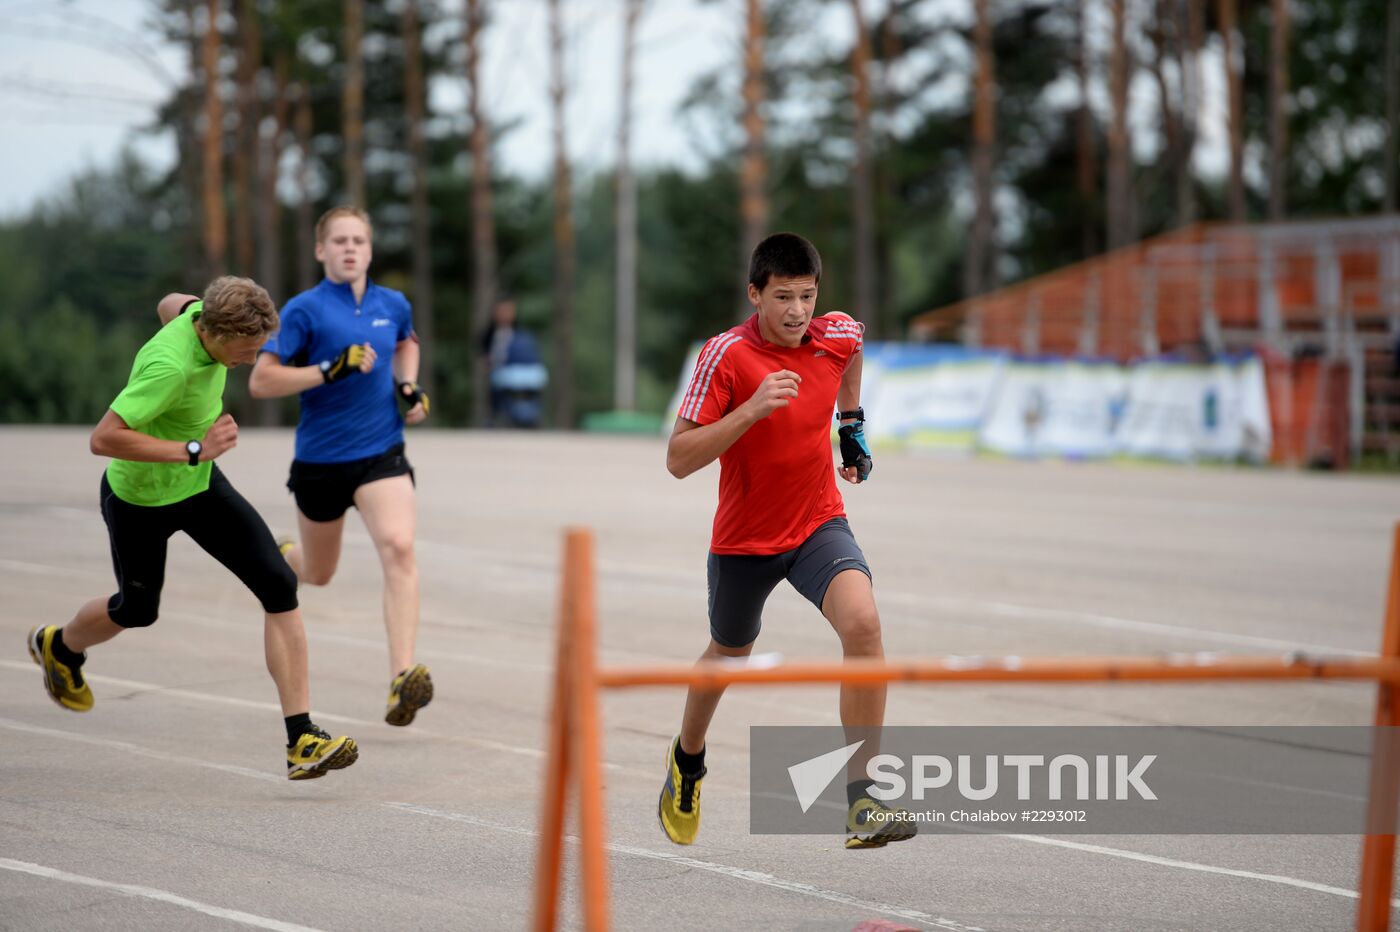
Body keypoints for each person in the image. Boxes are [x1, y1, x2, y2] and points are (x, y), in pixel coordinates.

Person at [29, 276, 358, 781]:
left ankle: (302, 739)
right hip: (139, 499)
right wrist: (193, 449)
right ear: (217, 334)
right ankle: (61, 645)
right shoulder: (169, 368)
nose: (251, 361)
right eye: (247, 351)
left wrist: (198, 460)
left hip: (200, 487)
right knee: (136, 611)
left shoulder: (199, 313)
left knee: (279, 584)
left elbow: (167, 302)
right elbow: (104, 438)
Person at [656, 232, 916, 850]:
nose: (797, 311)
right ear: (755, 294)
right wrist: (750, 410)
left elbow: (854, 347)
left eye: (806, 296)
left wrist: (850, 426)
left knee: (865, 627)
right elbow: (677, 459)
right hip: (745, 540)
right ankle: (686, 764)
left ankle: (863, 800)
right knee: (728, 656)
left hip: (817, 524)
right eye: (782, 298)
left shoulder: (834, 335)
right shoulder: (725, 356)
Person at [247, 207, 433, 727]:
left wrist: (406, 386)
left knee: (399, 547)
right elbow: (262, 383)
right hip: (320, 463)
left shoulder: (391, 303)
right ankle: (290, 554)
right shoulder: (303, 311)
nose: (350, 248)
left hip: (381, 454)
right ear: (320, 250)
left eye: (359, 241)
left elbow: (406, 342)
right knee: (319, 574)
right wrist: (330, 369)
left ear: (370, 251)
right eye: (340, 241)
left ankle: (402, 676)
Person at [479, 296, 547, 428]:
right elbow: (485, 356)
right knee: (497, 390)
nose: (505, 314)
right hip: (501, 372)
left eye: (509, 310)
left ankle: (530, 416)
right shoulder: (490, 334)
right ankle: (495, 415)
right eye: (502, 311)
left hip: (523, 372)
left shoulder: (521, 333)